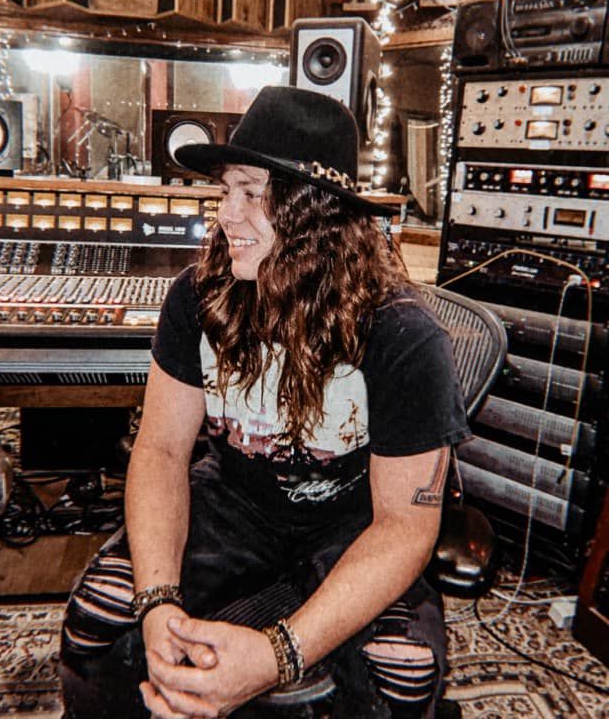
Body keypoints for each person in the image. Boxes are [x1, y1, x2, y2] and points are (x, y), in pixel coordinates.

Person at [59, 85, 469, 718]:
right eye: (226, 191)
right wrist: (157, 602)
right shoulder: (196, 297)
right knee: (99, 621)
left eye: (252, 193)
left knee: (402, 674)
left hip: (354, 523)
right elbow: (161, 450)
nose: (227, 214)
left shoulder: (403, 334)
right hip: (233, 502)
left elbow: (405, 525)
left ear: (314, 214)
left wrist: (279, 653)